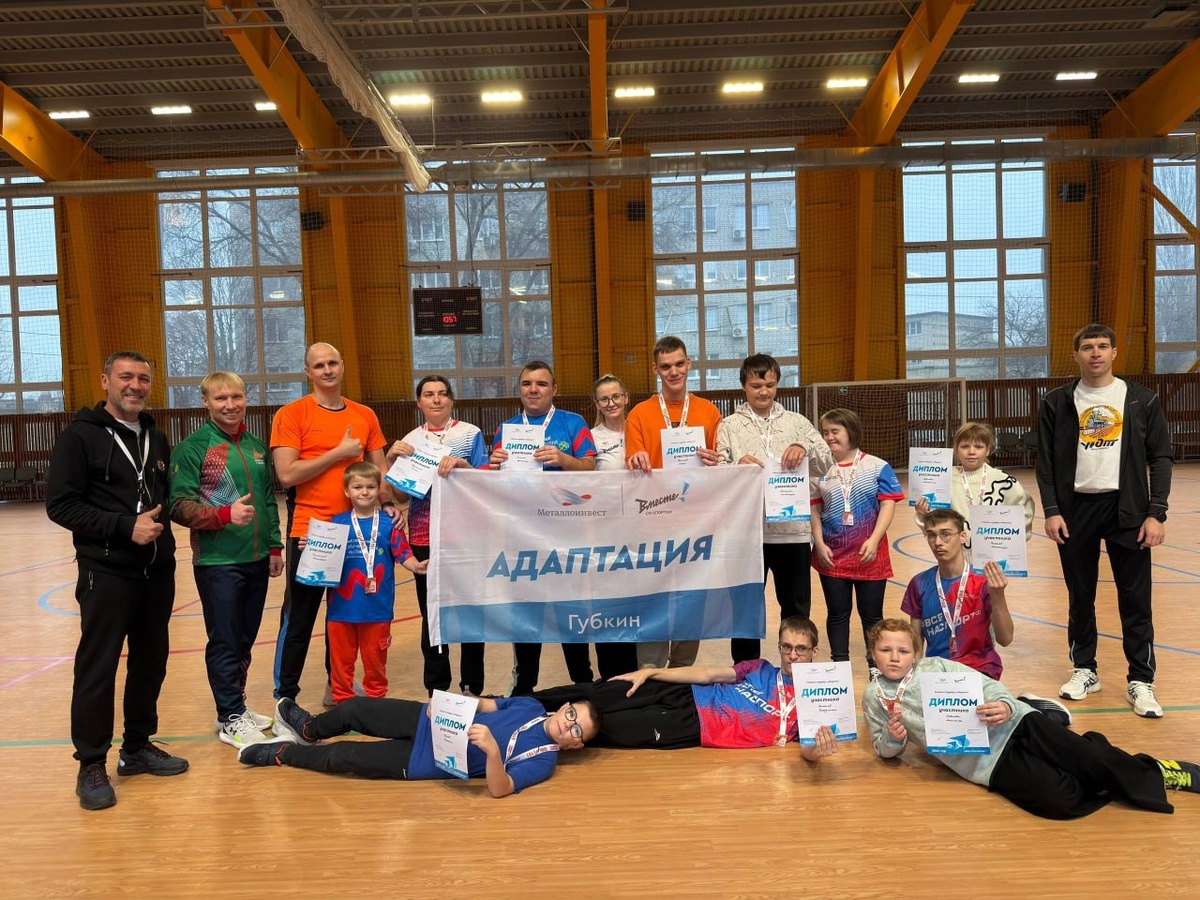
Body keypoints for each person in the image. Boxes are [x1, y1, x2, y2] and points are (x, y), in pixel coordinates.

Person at [864, 619, 1200, 819]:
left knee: (1094, 763)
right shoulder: (873, 695)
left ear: (916, 654)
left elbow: (989, 686)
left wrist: (1006, 706)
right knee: (1060, 802)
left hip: (1016, 724)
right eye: (885, 650)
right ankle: (1096, 752)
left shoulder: (936, 667)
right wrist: (894, 738)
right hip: (983, 761)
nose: (894, 657)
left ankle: (1159, 770)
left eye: (903, 651)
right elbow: (883, 749)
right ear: (872, 653)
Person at [47, 350, 189, 811]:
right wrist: (123, 526)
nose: (135, 385)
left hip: (156, 572)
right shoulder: (79, 437)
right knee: (98, 667)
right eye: (126, 376)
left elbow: (162, 499)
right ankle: (91, 763)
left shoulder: (156, 436)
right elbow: (61, 506)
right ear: (105, 380)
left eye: (143, 378)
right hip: (106, 571)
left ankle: (137, 748)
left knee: (151, 662)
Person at [1036, 324, 1173, 717]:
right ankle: (1085, 669)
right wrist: (1052, 510)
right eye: (1087, 347)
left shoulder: (1141, 399)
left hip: (1127, 510)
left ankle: (1141, 680)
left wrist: (1156, 513)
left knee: (1135, 599)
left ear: (1114, 353)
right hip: (1075, 511)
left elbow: (1160, 457)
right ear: (1075, 355)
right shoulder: (1056, 402)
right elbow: (1045, 462)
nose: (1095, 353)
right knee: (1080, 596)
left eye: (1102, 346)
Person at [271, 342, 394, 705]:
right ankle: (285, 697)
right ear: (308, 372)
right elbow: (287, 474)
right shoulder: (292, 414)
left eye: (332, 363)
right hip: (312, 532)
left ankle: (335, 685)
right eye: (319, 365)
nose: (327, 370)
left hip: (358, 532)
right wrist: (338, 453)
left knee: (342, 618)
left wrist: (388, 503)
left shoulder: (364, 414)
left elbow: (380, 470)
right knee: (300, 618)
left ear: (342, 366)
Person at [533, 616, 836, 760]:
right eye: (786, 647)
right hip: (685, 693)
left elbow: (806, 751)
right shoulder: (759, 667)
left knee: (608, 727)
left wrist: (817, 751)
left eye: (800, 649)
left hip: (693, 725)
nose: (792, 655)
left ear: (814, 652)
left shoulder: (815, 697)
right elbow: (706, 674)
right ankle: (517, 703)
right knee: (601, 691)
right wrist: (652, 672)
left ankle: (534, 737)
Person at [169, 371, 285, 748]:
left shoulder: (255, 446)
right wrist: (223, 515)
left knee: (245, 639)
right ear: (205, 402)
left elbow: (268, 500)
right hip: (218, 562)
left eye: (236, 397)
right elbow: (178, 505)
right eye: (221, 399)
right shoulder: (193, 448)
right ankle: (230, 716)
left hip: (257, 559)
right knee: (225, 640)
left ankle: (236, 707)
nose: (230, 405)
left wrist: (274, 546)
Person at [238, 694, 600, 798]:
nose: (567, 725)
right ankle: (309, 729)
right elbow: (489, 705)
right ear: (564, 707)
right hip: (429, 720)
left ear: (575, 746)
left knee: (344, 756)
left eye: (576, 731)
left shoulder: (543, 762)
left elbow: (500, 789)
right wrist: (451, 703)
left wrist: (492, 751)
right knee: (355, 709)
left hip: (426, 760)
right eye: (572, 715)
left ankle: (285, 754)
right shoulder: (532, 706)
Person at [902, 508, 1070, 726]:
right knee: (916, 719)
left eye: (946, 534)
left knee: (977, 721)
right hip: (938, 673)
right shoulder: (919, 584)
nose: (938, 542)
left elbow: (1006, 638)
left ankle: (1026, 707)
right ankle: (1017, 704)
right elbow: (915, 641)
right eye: (931, 535)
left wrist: (997, 595)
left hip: (979, 670)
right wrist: (913, 681)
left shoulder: (982, 581)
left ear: (963, 536)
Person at [489, 360, 597, 693]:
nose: (533, 390)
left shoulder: (573, 423)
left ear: (554, 389)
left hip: (567, 533)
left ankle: (582, 683)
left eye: (541, 384)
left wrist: (564, 460)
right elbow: (493, 483)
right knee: (526, 612)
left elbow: (591, 468)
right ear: (520, 389)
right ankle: (525, 687)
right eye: (527, 384)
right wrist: (493, 465)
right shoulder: (506, 429)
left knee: (570, 610)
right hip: (522, 535)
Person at [717, 353, 832, 663]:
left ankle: (797, 670)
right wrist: (736, 466)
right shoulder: (728, 426)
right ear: (744, 386)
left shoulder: (797, 423)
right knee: (745, 610)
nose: (763, 391)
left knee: (796, 609)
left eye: (769, 385)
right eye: (756, 386)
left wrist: (804, 447)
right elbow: (717, 474)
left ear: (777, 384)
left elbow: (826, 463)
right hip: (747, 534)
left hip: (792, 533)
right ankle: (745, 672)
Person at [386, 375, 488, 697]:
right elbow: (401, 497)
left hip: (466, 536)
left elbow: (487, 483)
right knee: (432, 615)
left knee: (470, 611)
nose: (436, 399)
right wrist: (390, 460)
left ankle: (472, 687)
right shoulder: (410, 440)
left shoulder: (469, 434)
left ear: (451, 400)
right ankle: (437, 689)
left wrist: (464, 465)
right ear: (419, 402)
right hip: (423, 536)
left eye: (443, 393)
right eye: (429, 394)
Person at [624, 336, 722, 669]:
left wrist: (716, 462)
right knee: (653, 603)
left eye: (679, 364)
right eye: (666, 366)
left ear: (689, 364)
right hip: (653, 526)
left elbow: (722, 466)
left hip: (695, 526)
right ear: (655, 369)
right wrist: (635, 459)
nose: (674, 371)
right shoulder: (639, 415)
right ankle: (650, 677)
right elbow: (631, 466)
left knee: (690, 603)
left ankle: (681, 676)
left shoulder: (709, 412)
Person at [810, 408, 903, 670]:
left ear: (851, 432)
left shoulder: (877, 466)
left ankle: (876, 666)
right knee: (837, 614)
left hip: (869, 555)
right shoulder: (819, 469)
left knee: (872, 616)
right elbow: (814, 509)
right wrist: (819, 543)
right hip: (832, 555)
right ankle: (839, 666)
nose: (829, 437)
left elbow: (888, 505)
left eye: (835, 431)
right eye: (825, 432)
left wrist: (874, 540)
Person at [327, 462, 427, 704]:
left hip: (377, 608)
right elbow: (324, 559)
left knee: (375, 663)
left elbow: (403, 552)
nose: (364, 492)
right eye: (357, 487)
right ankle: (343, 705)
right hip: (341, 609)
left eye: (371, 487)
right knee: (340, 663)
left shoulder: (389, 523)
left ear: (378, 490)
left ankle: (376, 704)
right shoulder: (336, 523)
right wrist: (311, 546)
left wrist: (416, 566)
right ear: (346, 491)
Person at [588, 374, 640, 679]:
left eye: (616, 396)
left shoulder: (641, 430)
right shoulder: (591, 437)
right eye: (604, 399)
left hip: (640, 531)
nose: (611, 403)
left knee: (635, 605)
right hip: (604, 532)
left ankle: (636, 675)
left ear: (626, 397)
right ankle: (609, 677)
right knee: (607, 605)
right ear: (597, 403)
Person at [914, 421, 1035, 538]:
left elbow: (1025, 511)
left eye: (978, 447)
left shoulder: (1004, 481)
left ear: (987, 450)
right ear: (956, 450)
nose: (971, 452)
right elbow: (935, 523)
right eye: (965, 446)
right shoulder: (943, 481)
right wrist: (924, 514)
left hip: (995, 551)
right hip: (955, 551)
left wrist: (1010, 540)